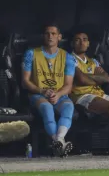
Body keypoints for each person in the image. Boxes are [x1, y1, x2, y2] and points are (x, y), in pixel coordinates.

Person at [21, 23, 76, 157]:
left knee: (69, 107)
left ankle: (58, 141)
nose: (50, 36)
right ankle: (59, 142)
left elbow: (69, 85)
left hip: (59, 95)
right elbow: (25, 81)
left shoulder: (67, 57)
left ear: (59, 37)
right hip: (38, 94)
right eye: (47, 33)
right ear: (43, 36)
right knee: (46, 108)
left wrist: (58, 94)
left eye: (53, 33)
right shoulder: (31, 53)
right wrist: (42, 91)